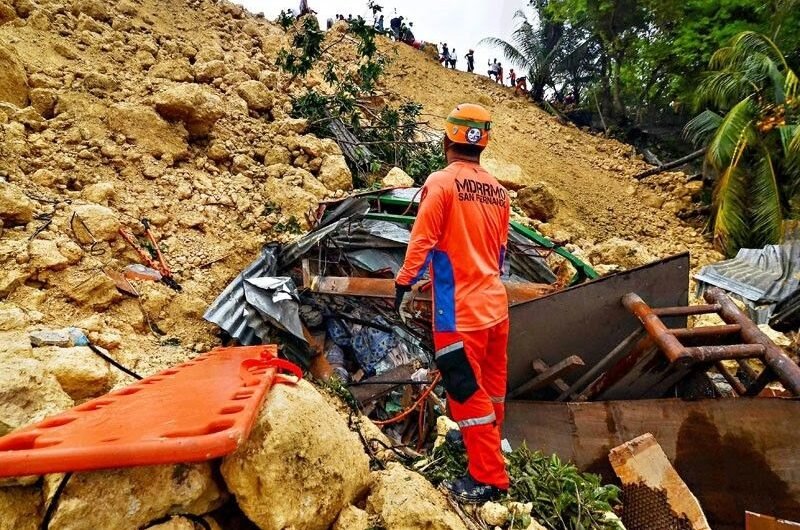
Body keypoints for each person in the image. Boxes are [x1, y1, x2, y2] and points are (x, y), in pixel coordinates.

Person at [395, 103, 510, 503]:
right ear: (483, 145)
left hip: (457, 310)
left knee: (464, 391)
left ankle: (488, 477)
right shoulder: (497, 191)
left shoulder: (441, 183)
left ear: (447, 140)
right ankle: (489, 447)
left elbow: (423, 240)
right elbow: (499, 256)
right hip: (495, 305)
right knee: (492, 390)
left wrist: (405, 281)